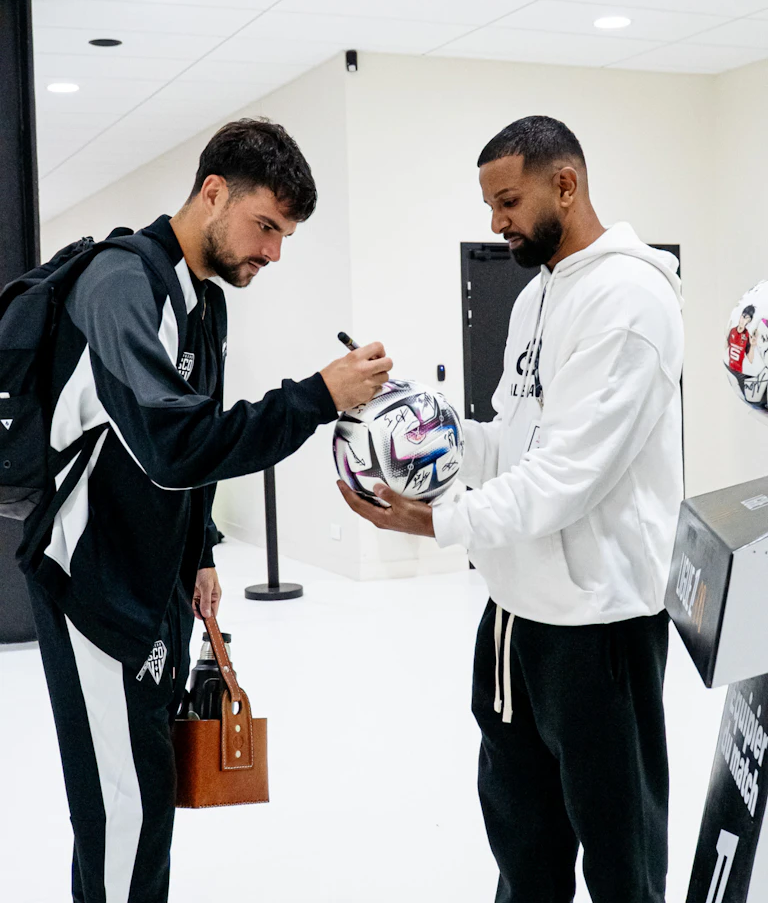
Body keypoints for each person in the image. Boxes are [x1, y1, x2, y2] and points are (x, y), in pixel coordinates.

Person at [25, 117, 392, 903]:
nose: (273, 252)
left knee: (144, 797)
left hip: (153, 586)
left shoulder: (204, 304)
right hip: (92, 586)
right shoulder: (122, 284)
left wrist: (201, 555)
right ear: (213, 192)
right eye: (267, 227)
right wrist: (317, 397)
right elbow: (174, 443)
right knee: (125, 810)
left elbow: (191, 463)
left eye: (285, 235)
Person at [340, 115, 683, 903]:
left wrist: (439, 520)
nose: (496, 223)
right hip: (513, 619)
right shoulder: (535, 299)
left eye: (508, 201)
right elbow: (515, 438)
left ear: (566, 184)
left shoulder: (630, 301)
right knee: (523, 848)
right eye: (490, 206)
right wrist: (425, 425)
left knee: (622, 858)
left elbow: (569, 476)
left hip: (600, 627)